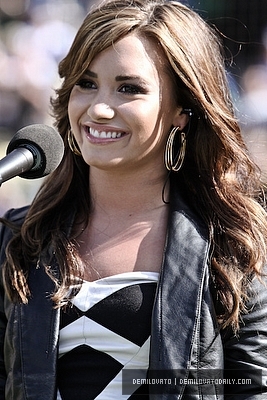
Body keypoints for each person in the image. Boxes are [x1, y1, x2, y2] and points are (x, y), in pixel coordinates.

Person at [0, 0, 267, 398]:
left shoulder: (231, 243)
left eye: (129, 88)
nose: (99, 108)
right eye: (86, 84)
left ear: (181, 108)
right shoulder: (21, 239)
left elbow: (249, 387)